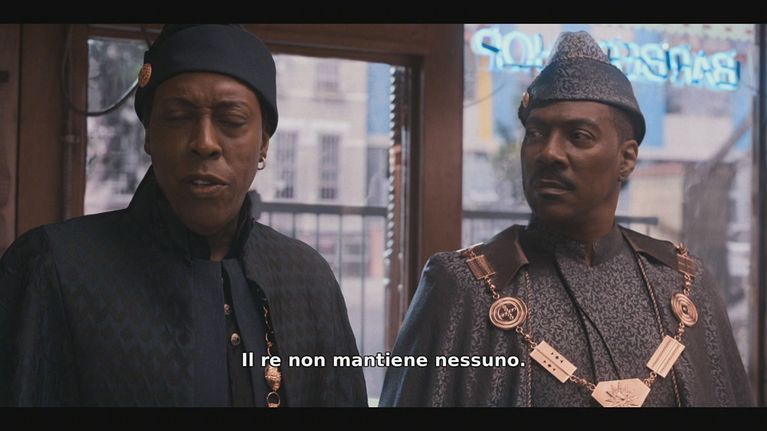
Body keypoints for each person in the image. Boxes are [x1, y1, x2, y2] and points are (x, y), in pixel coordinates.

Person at [0, 24, 367, 407]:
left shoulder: (308, 280)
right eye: (178, 116)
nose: (204, 142)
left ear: (263, 143)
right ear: (149, 135)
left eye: (232, 120)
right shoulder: (54, 267)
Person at [380, 31, 753, 407]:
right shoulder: (465, 288)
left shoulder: (683, 284)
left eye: (578, 135)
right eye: (536, 134)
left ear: (626, 159)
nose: (549, 153)